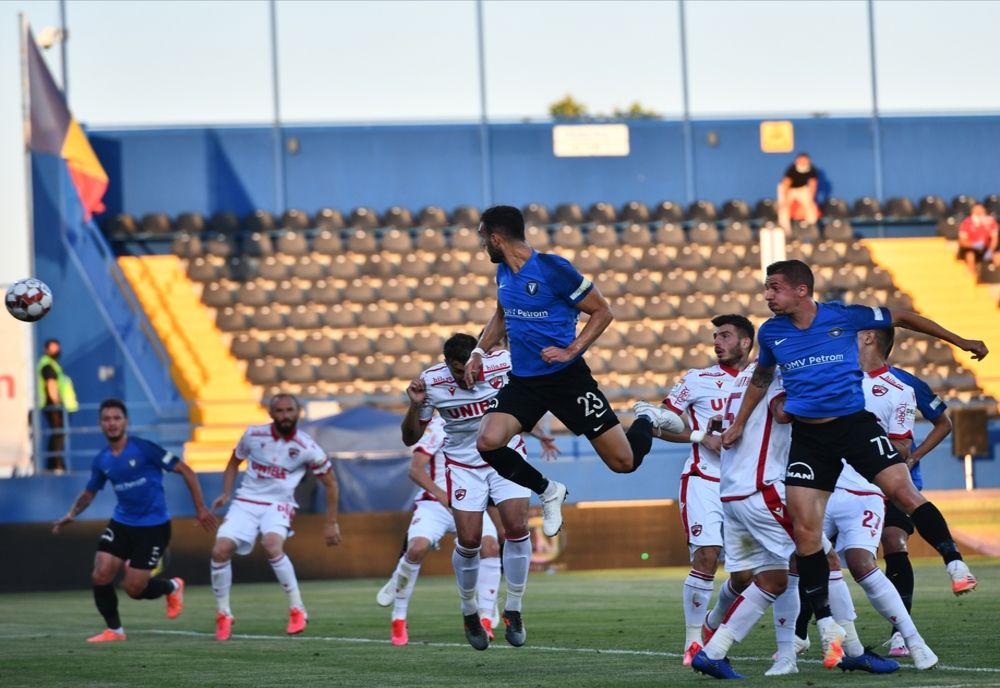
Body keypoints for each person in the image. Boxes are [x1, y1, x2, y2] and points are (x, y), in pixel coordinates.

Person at [720, 259, 987, 668]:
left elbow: (903, 317)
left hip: (853, 426)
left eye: (774, 287)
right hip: (809, 440)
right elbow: (761, 379)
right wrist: (739, 423)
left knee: (904, 491)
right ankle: (828, 626)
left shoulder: (844, 316)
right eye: (766, 288)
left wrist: (960, 340)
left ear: (801, 290)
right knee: (806, 535)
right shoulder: (772, 332)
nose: (767, 295)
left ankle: (954, 562)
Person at [463, 205, 682, 538]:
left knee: (623, 462)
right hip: (524, 382)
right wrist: (479, 351)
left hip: (567, 380)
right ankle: (548, 490)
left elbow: (602, 311)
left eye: (483, 239)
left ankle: (647, 419)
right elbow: (502, 315)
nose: (482, 246)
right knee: (488, 441)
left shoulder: (553, 268)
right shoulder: (504, 273)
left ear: (495, 238)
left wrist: (571, 350)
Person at [795, 327, 938, 671]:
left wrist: (865, 442)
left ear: (870, 337)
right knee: (800, 562)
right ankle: (803, 644)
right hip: (821, 487)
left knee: (862, 562)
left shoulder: (900, 388)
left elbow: (902, 446)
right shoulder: (828, 376)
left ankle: (912, 639)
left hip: (864, 489)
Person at [403, 332, 539, 651]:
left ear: (480, 360)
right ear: (447, 366)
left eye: (472, 368)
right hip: (464, 465)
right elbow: (410, 438)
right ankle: (469, 612)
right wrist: (413, 406)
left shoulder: (503, 363)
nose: (467, 376)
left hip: (506, 454)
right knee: (469, 540)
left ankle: (514, 609)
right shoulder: (431, 382)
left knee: (516, 528)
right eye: (458, 370)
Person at [639, 314, 754, 666]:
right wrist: (701, 436)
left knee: (746, 575)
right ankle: (692, 642)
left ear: (746, 342)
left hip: (748, 484)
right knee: (707, 555)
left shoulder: (764, 378)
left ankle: (712, 621)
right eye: (715, 336)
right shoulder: (697, 379)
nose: (717, 342)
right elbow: (658, 423)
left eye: (725, 336)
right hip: (703, 478)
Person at [51, 398, 217, 643]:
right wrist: (72, 514)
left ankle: (172, 587)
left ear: (126, 422)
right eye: (106, 419)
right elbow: (89, 492)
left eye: (116, 418)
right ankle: (115, 631)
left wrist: (200, 508)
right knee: (100, 575)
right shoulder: (102, 460)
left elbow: (186, 470)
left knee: (133, 589)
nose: (112, 423)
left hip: (153, 528)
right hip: (122, 524)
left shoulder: (144, 449)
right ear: (100, 424)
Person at [690, 361, 801, 679]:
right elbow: (783, 412)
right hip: (761, 489)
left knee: (774, 578)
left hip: (734, 493)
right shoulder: (779, 373)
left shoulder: (742, 377)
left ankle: (716, 650)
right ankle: (851, 648)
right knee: (819, 554)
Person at [209, 394, 341, 641]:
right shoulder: (253, 435)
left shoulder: (307, 447)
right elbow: (233, 462)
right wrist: (226, 493)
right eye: (279, 411)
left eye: (289, 410)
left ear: (298, 412)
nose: (285, 415)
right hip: (247, 500)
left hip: (279, 503)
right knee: (219, 551)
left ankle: (297, 608)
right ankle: (223, 613)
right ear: (270, 414)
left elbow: (331, 484)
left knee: (271, 545)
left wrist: (331, 522)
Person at [376, 416, 504, 646]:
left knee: (491, 546)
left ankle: (485, 617)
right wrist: (444, 496)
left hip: (470, 504)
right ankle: (399, 618)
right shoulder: (439, 425)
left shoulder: (485, 422)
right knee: (416, 549)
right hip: (435, 504)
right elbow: (415, 469)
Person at [880, 328, 953, 657]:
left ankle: (900, 633)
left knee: (894, 542)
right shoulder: (839, 378)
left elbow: (944, 422)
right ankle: (804, 632)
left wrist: (914, 457)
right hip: (843, 483)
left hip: (894, 482)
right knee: (816, 552)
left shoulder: (905, 383)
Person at [37, 338, 78, 472]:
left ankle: (57, 464)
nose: (56, 351)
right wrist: (57, 403)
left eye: (57, 348)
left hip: (55, 405)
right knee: (58, 434)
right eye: (53, 348)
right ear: (46, 349)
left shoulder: (53, 364)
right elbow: (51, 385)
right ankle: (55, 465)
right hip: (53, 406)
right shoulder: (48, 365)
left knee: (59, 434)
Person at [777, 152, 819, 232]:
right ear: (797, 160)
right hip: (788, 189)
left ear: (809, 161)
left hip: (802, 188)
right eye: (801, 160)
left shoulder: (812, 170)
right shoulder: (791, 169)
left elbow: (812, 185)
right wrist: (784, 200)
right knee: (783, 208)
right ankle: (785, 231)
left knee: (811, 207)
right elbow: (786, 184)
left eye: (805, 160)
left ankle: (811, 229)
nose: (803, 162)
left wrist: (811, 199)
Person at [957, 203, 999, 276]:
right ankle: (974, 277)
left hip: (986, 248)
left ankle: (996, 275)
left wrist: (990, 250)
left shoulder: (991, 221)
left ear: (984, 210)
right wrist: (974, 245)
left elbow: (994, 239)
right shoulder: (966, 222)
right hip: (971, 248)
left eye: (980, 209)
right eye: (976, 209)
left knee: (998, 256)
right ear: (972, 211)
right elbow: (962, 241)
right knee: (970, 255)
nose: (979, 211)